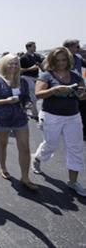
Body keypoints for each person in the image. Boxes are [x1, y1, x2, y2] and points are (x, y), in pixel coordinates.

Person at [31, 47, 86, 196]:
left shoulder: (76, 76)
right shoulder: (46, 76)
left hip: (73, 116)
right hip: (51, 116)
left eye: (64, 60)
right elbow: (38, 94)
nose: (61, 63)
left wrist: (81, 94)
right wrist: (55, 90)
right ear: (52, 61)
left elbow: (82, 95)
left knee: (76, 148)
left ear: (69, 60)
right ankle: (37, 158)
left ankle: (73, 182)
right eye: (58, 60)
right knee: (51, 144)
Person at [0, 54, 38, 191]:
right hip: (1, 120)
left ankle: (25, 178)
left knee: (25, 148)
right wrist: (7, 101)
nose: (14, 66)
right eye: (10, 63)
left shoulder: (22, 81)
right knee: (2, 145)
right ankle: (3, 167)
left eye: (16, 63)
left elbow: (26, 97)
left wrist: (27, 104)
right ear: (4, 64)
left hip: (20, 119)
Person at [63, 39, 86, 141]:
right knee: (70, 111)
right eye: (77, 46)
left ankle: (83, 132)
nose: (79, 48)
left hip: (80, 87)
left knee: (83, 109)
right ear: (69, 47)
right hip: (67, 87)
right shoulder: (62, 59)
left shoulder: (78, 57)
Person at [20, 42, 44, 120]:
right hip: (27, 77)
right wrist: (30, 68)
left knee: (38, 95)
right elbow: (19, 70)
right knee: (33, 96)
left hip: (36, 77)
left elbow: (41, 66)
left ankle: (28, 108)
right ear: (28, 48)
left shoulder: (37, 56)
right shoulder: (23, 58)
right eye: (33, 47)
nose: (35, 48)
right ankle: (35, 114)